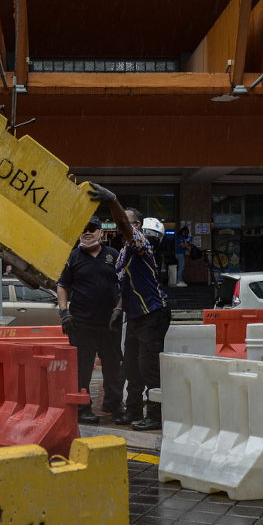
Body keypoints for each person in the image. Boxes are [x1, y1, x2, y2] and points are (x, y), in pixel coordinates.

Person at [88, 183, 170, 431]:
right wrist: (118, 310)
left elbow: (122, 224)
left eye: (132, 223)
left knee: (148, 367)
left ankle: (155, 415)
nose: (127, 225)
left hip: (152, 313)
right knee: (131, 367)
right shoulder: (123, 253)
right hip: (135, 315)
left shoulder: (141, 245)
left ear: (138, 227)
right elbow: (125, 286)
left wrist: (113, 200)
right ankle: (134, 411)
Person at [56, 214, 123, 424]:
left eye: (92, 228)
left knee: (113, 365)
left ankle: (113, 403)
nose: (87, 231)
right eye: (83, 228)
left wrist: (119, 310)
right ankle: (82, 408)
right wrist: (63, 312)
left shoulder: (113, 255)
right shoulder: (73, 257)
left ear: (101, 232)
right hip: (81, 323)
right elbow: (62, 286)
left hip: (109, 324)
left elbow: (125, 285)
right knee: (82, 367)